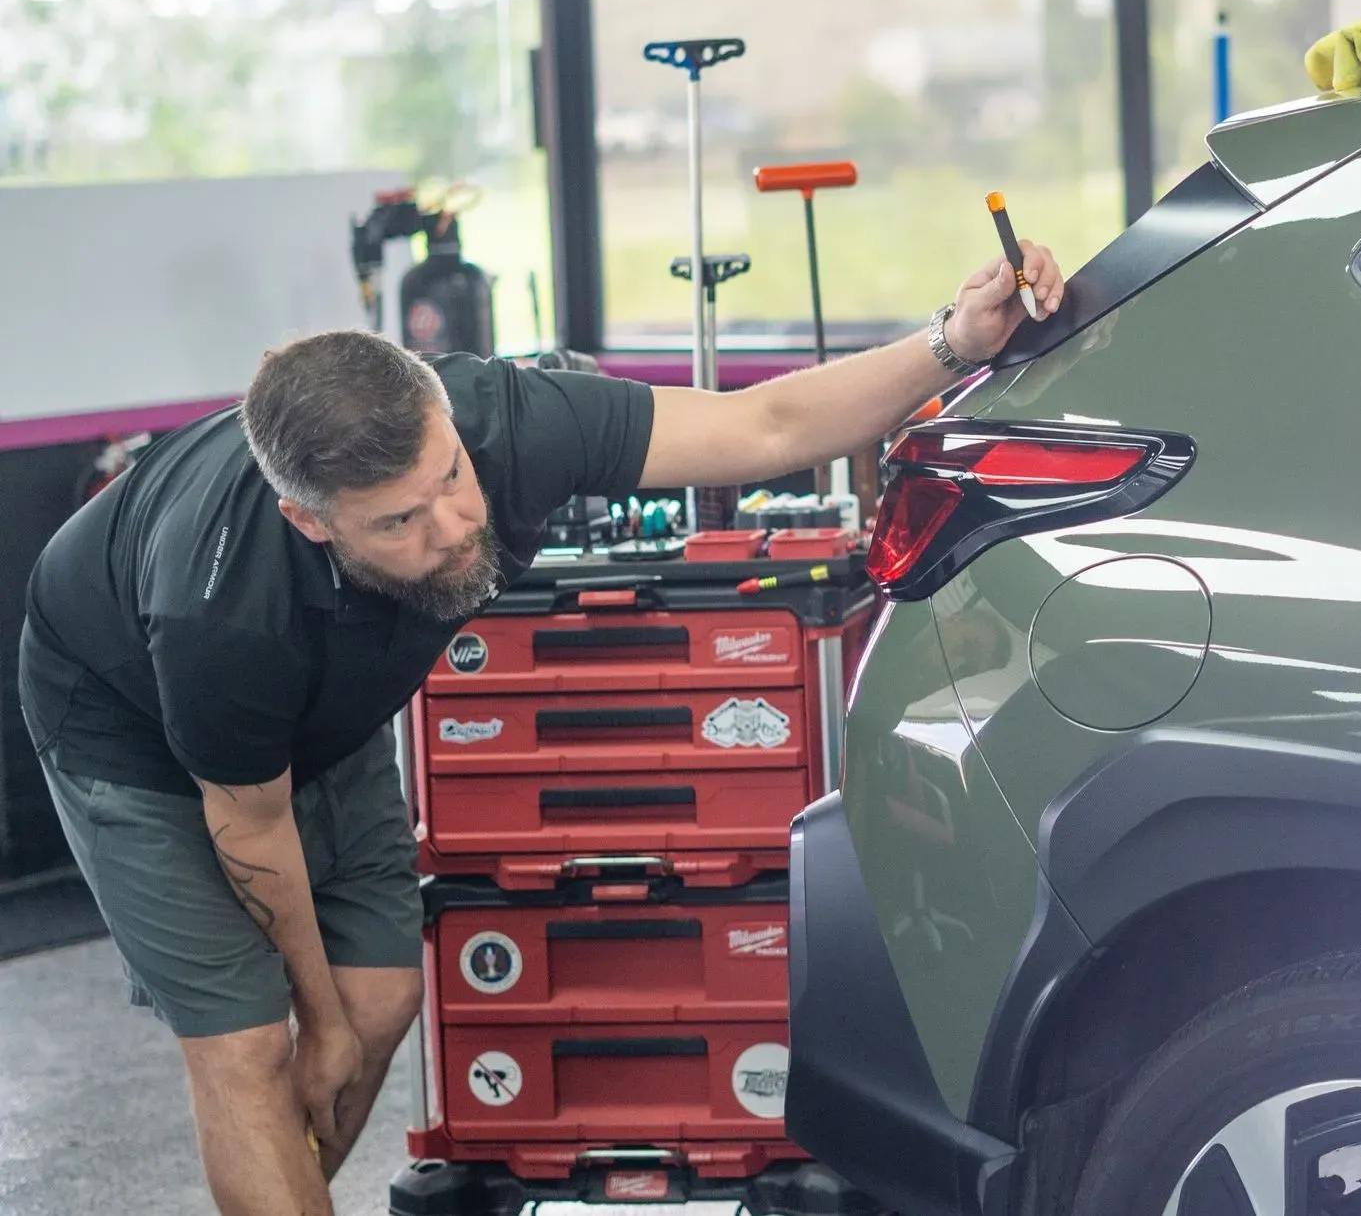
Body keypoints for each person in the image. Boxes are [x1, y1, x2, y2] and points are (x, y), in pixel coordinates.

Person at [19, 243, 1065, 1216]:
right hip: (138, 730)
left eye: (450, 482)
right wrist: (315, 1025)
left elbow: (769, 427)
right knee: (250, 1044)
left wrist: (952, 342)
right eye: (398, 522)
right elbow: (249, 827)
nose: (452, 530)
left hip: (326, 706)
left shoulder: (505, 417)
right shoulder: (220, 613)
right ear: (310, 520)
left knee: (381, 1004)